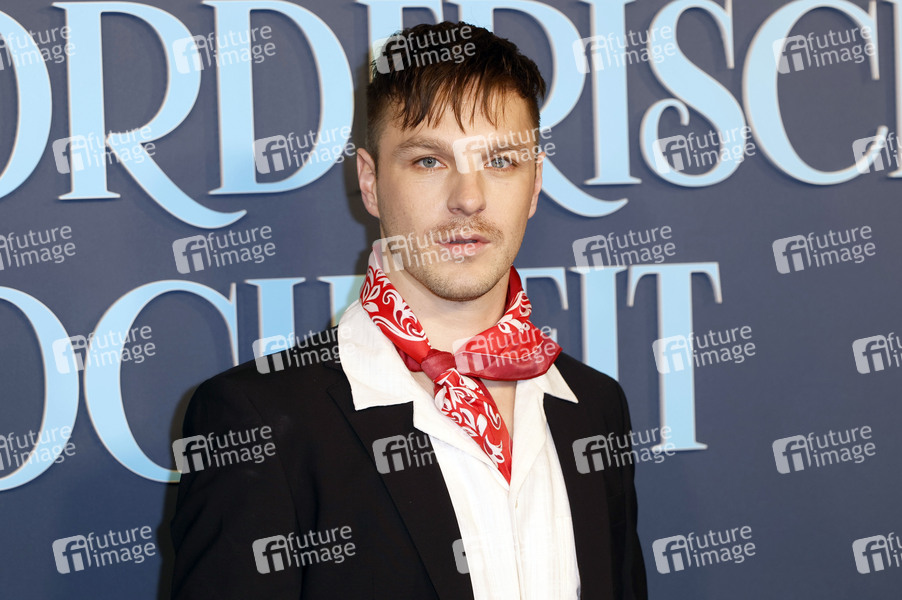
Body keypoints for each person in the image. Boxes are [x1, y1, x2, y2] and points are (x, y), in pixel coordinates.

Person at [170, 21, 647, 600]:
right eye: (428, 161)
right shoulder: (257, 422)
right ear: (370, 183)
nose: (468, 198)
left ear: (535, 182)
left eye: (500, 160)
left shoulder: (594, 407)